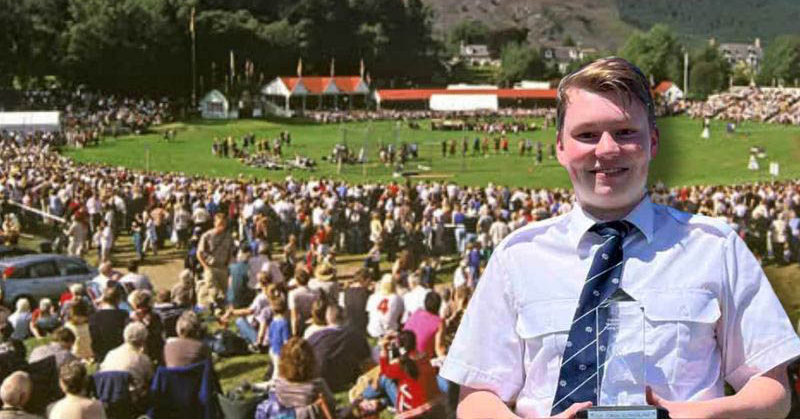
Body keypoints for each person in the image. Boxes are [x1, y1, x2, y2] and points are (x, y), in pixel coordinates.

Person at [441, 57, 800, 419]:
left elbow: (773, 388)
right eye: (587, 135)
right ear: (560, 148)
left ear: (653, 141)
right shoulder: (517, 256)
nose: (607, 149)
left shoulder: (714, 247)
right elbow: (476, 397)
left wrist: (700, 415)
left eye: (625, 132)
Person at [307, 304, 373, 393]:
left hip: (320, 381)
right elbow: (367, 360)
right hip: (345, 380)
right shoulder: (355, 336)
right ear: (344, 317)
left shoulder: (314, 337)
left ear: (327, 318)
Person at [99, 322, 154, 406]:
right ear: (144, 340)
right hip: (131, 401)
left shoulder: (110, 354)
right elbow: (151, 379)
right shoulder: (142, 359)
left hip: (107, 398)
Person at [196, 213, 235, 307]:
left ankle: (223, 309)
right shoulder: (207, 236)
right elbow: (199, 253)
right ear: (215, 223)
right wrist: (206, 267)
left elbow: (231, 251)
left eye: (223, 224)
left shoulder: (228, 237)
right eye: (219, 223)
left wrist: (228, 264)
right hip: (210, 267)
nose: (221, 226)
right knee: (212, 290)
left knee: (225, 290)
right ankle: (215, 309)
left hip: (223, 267)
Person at [88, 285, 129, 363]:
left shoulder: (94, 317)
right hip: (121, 354)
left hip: (102, 355)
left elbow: (94, 339)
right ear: (119, 299)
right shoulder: (124, 315)